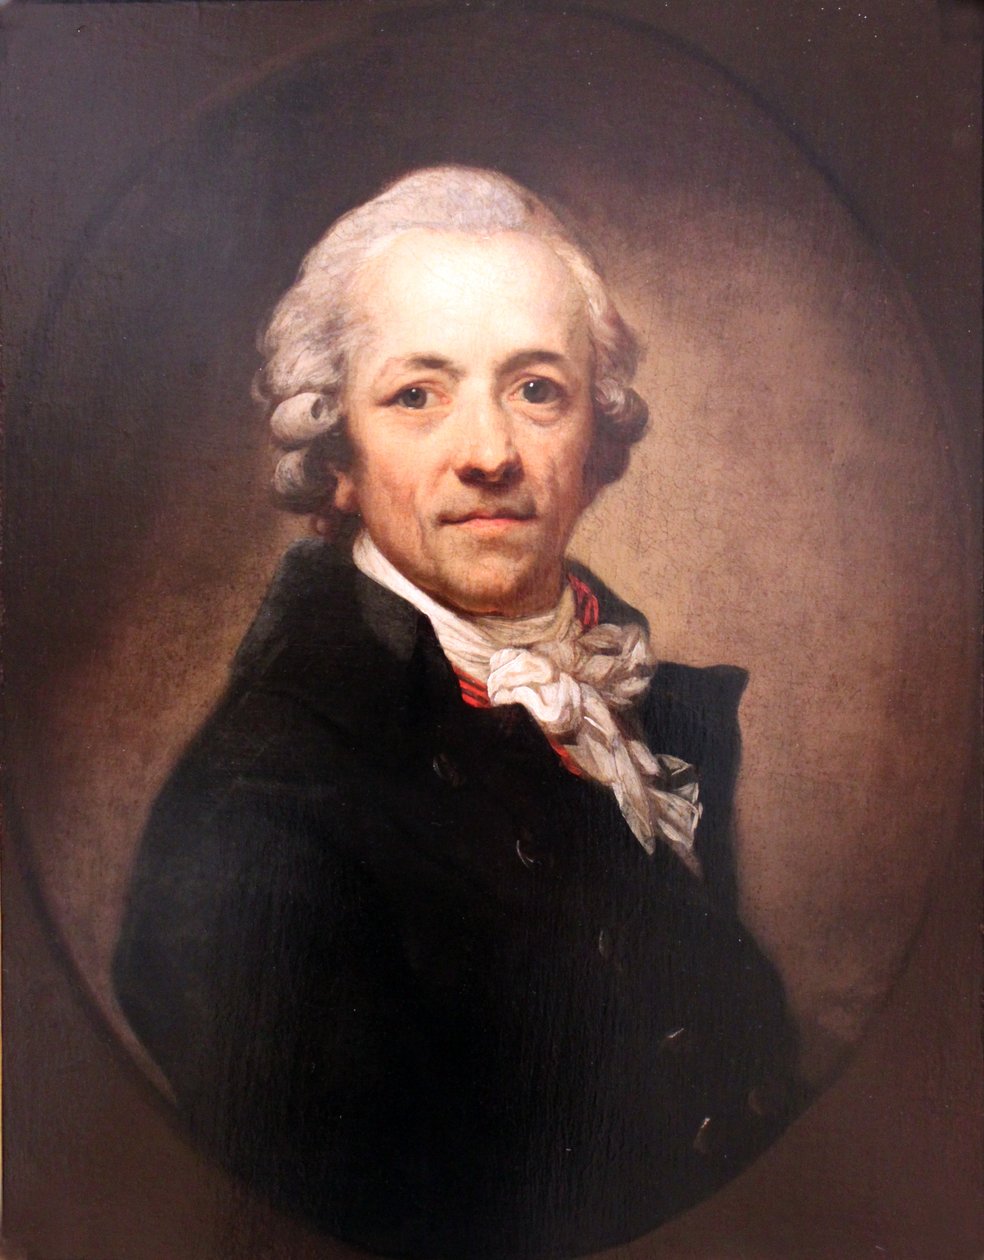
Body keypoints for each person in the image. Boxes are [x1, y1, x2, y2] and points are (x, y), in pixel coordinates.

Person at [113, 167, 799, 1260]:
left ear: (596, 441)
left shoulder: (664, 719)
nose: (488, 453)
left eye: (536, 389)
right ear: (337, 456)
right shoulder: (262, 807)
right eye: (417, 396)